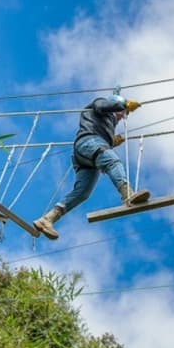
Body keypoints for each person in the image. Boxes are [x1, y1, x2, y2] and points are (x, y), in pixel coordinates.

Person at [33, 94, 150, 240]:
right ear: (114, 105)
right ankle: (128, 195)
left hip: (86, 156)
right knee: (112, 161)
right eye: (122, 114)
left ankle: (47, 219)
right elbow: (102, 108)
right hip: (88, 143)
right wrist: (125, 104)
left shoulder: (107, 122)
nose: (122, 117)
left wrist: (112, 141)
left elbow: (98, 130)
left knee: (83, 193)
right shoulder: (99, 104)